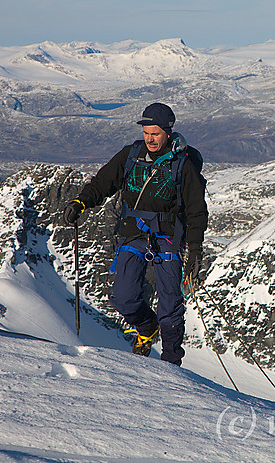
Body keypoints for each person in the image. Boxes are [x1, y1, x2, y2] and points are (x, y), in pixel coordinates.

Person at [63, 102, 208, 365]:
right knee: (124, 297)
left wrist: (195, 251)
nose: (150, 139)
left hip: (168, 237)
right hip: (133, 234)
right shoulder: (131, 155)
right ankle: (146, 327)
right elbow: (104, 182)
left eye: (156, 133)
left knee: (170, 305)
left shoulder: (182, 164)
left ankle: (171, 362)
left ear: (168, 131)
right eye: (146, 133)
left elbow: (197, 211)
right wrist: (80, 202)